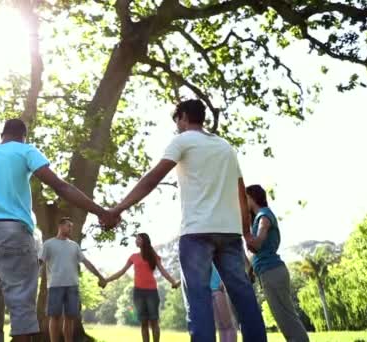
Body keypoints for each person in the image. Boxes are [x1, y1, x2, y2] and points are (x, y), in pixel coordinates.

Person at [106, 99, 267, 342]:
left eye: (177, 121)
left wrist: (118, 208)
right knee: (244, 296)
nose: (177, 126)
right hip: (229, 233)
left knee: (199, 302)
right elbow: (240, 192)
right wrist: (246, 233)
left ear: (183, 117)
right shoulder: (225, 147)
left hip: (197, 233)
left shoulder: (182, 141)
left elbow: (152, 179)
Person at [0, 119, 117, 342]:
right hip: (15, 233)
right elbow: (60, 186)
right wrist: (101, 211)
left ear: (2, 134)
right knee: (21, 307)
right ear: (24, 136)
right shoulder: (26, 151)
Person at [246, 184, 309, 342]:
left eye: (244, 198)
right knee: (284, 320)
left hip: (272, 272)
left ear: (252, 198)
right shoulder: (260, 216)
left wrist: (246, 234)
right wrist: (252, 270)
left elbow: (259, 242)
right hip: (268, 272)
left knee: (288, 320)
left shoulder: (263, 216)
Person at [39, 217, 106, 342]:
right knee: (55, 317)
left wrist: (100, 276)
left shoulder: (74, 246)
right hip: (55, 285)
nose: (70, 228)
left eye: (71, 226)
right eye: (68, 226)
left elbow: (86, 262)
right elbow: (39, 262)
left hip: (72, 286)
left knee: (70, 318)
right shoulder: (48, 244)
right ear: (60, 226)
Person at [105, 233, 180, 342]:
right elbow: (122, 272)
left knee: (154, 321)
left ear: (144, 241)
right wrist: (106, 280)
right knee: (144, 323)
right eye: (136, 239)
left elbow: (162, 270)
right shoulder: (133, 257)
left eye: (138, 239)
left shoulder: (153, 255)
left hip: (151, 292)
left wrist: (173, 282)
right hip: (138, 293)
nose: (136, 241)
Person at [210, 264, 237, 342]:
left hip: (218, 289)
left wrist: (223, 280)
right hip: (214, 291)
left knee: (225, 326)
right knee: (225, 326)